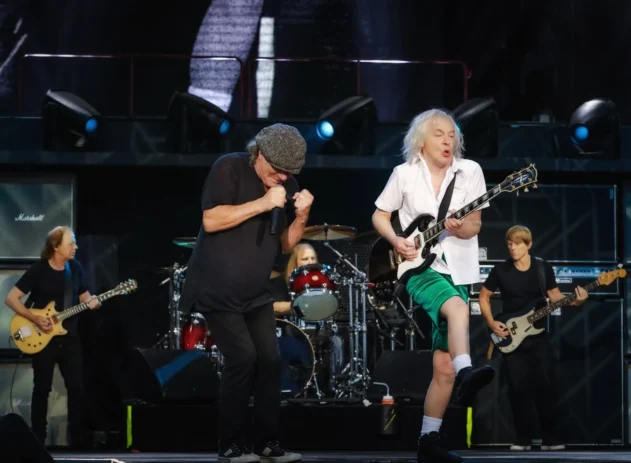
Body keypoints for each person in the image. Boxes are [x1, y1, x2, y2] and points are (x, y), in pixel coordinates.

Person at [180, 123, 313, 463]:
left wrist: (301, 217)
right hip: (215, 286)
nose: (283, 177)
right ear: (260, 153)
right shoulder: (229, 167)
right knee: (242, 358)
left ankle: (267, 442)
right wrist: (263, 203)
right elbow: (211, 220)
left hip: (255, 292)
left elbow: (285, 245)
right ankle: (230, 445)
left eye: (289, 173)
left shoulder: (287, 185)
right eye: (278, 169)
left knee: (270, 359)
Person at [372, 108, 495, 463]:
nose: (447, 141)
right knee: (456, 309)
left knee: (443, 366)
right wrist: (396, 240)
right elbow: (379, 214)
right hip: (416, 267)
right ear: (421, 140)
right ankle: (468, 372)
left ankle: (428, 440)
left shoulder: (470, 171)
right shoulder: (404, 174)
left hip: (457, 269)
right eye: (439, 134)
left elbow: (474, 225)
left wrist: (460, 227)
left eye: (452, 135)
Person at [479, 225, 587, 451]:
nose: (512, 248)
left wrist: (577, 301)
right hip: (511, 336)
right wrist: (491, 322)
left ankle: (550, 439)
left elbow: (555, 297)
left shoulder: (542, 268)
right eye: (509, 244)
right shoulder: (501, 270)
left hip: (538, 337)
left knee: (546, 387)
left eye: (517, 244)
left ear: (528, 245)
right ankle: (522, 439)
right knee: (517, 389)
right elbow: (484, 296)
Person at [5, 226, 101, 448]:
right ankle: (38, 439)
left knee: (76, 388)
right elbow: (11, 298)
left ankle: (78, 439)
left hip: (70, 337)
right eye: (71, 243)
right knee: (42, 389)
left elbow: (84, 296)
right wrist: (35, 319)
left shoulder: (75, 268)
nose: (75, 247)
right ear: (56, 246)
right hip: (42, 336)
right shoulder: (38, 269)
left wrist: (94, 303)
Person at [269, 243, 318, 318]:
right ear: (294, 262)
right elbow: (272, 308)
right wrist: (300, 305)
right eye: (305, 259)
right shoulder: (281, 282)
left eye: (313, 258)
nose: (310, 262)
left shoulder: (319, 281)